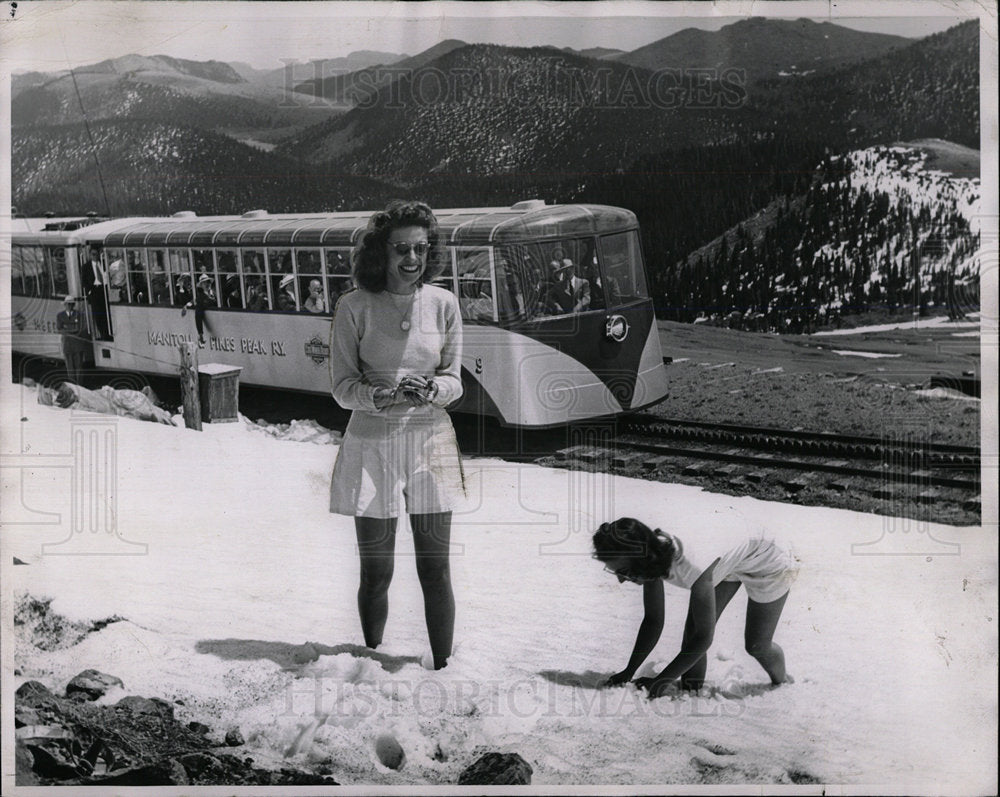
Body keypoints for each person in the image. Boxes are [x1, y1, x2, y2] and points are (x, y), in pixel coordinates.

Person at [328, 200, 464, 671]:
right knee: (377, 571)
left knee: (435, 569)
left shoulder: (444, 303)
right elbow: (342, 387)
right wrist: (375, 397)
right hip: (372, 443)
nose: (412, 259)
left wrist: (434, 387)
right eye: (402, 249)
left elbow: (454, 378)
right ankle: (372, 661)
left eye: (421, 249)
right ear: (380, 253)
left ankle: (444, 668)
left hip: (429, 441)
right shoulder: (354, 306)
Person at [592, 517, 796, 697]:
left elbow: (704, 638)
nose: (620, 580)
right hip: (730, 559)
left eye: (624, 571)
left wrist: (660, 682)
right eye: (616, 572)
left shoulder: (691, 567)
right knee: (692, 635)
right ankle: (691, 692)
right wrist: (629, 672)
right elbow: (653, 620)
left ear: (641, 559)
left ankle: (783, 682)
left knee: (757, 645)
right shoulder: (650, 555)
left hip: (769, 561)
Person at [56, 296, 89, 384]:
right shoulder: (60, 316)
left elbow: (81, 328)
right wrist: (72, 330)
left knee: (79, 367)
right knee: (70, 368)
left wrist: (67, 329)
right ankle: (73, 386)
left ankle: (80, 386)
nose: (69, 306)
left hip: (78, 345)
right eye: (67, 304)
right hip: (67, 345)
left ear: (73, 305)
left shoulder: (79, 314)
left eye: (71, 304)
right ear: (65, 305)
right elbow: (59, 329)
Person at [81, 246, 111, 339]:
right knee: (98, 315)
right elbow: (84, 282)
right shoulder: (86, 267)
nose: (95, 256)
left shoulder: (103, 264)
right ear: (90, 255)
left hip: (104, 290)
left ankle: (109, 332)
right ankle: (103, 334)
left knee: (107, 313)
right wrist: (89, 291)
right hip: (95, 291)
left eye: (97, 254)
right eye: (93, 254)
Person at [182, 274, 215, 344]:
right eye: (204, 283)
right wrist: (200, 333)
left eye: (208, 282)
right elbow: (198, 315)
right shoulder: (201, 298)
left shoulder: (216, 292)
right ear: (201, 286)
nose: (207, 284)